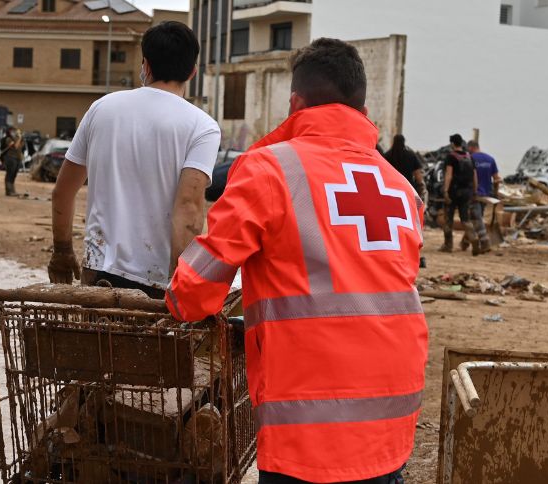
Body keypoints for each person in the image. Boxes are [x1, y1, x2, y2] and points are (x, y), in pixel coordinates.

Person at [167, 38, 423, 484]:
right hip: (391, 417)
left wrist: (178, 301)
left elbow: (196, 288)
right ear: (362, 107)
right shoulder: (401, 187)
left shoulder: (269, 168)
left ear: (295, 102)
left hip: (310, 424)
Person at [49, 21, 220, 298]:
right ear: (192, 72)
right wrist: (182, 285)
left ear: (146, 65)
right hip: (157, 282)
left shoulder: (101, 109)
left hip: (98, 273)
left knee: (94, 342)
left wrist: (62, 250)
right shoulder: (202, 126)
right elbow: (189, 208)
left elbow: (62, 192)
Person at [438, 134, 482, 253]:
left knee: (448, 219)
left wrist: (446, 190)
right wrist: (474, 191)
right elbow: (474, 176)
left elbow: (448, 175)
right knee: (465, 219)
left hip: (453, 191)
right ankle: (474, 238)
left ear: (452, 144)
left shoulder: (451, 157)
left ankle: (448, 245)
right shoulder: (469, 156)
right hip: (467, 192)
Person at [466, 140, 500, 255]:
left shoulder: (470, 158)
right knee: (476, 217)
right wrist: (495, 192)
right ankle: (465, 242)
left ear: (471, 147)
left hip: (474, 193)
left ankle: (485, 242)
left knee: (476, 218)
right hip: (486, 193)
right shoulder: (490, 159)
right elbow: (496, 178)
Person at [1, 127, 25, 197]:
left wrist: (21, 139)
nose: (15, 132)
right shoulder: (8, 139)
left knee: (14, 174)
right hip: (10, 158)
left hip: (17, 158)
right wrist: (19, 138)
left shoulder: (18, 139)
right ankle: (8, 190)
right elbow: (16, 146)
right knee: (10, 174)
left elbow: (20, 148)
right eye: (13, 131)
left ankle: (13, 190)